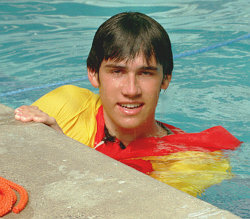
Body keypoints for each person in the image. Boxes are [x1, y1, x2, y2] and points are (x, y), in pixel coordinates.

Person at [14, 12, 241, 196]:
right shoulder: (68, 106)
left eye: (145, 73)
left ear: (165, 79)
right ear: (93, 74)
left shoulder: (186, 159)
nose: (131, 90)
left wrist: (66, 153)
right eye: (117, 71)